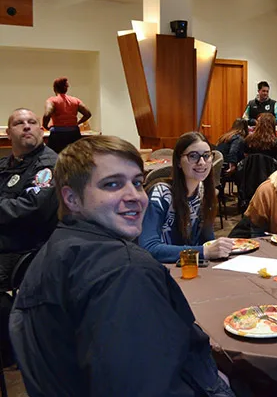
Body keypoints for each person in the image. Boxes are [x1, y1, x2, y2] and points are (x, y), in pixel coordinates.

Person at [9, 136, 236, 396]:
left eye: (138, 183)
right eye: (112, 184)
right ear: (71, 198)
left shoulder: (57, 248)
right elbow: (144, 386)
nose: (136, 197)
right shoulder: (126, 269)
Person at [140, 132, 233, 263]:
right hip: (160, 270)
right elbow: (148, 248)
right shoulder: (161, 194)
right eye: (193, 156)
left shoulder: (202, 190)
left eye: (206, 156)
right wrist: (203, 252)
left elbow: (207, 240)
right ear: (178, 161)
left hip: (191, 266)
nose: (202, 162)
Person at [0, 108, 58, 290]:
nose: (26, 127)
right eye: (19, 123)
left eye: (32, 123)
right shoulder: (4, 165)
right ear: (8, 133)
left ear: (41, 130)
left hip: (24, 250)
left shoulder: (47, 165)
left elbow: (32, 209)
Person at [42, 77, 92, 153]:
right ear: (66, 89)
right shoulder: (75, 100)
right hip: (74, 133)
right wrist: (78, 123)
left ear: (54, 88)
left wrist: (45, 126)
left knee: (55, 157)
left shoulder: (52, 100)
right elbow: (88, 114)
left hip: (58, 134)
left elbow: (47, 114)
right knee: (74, 156)